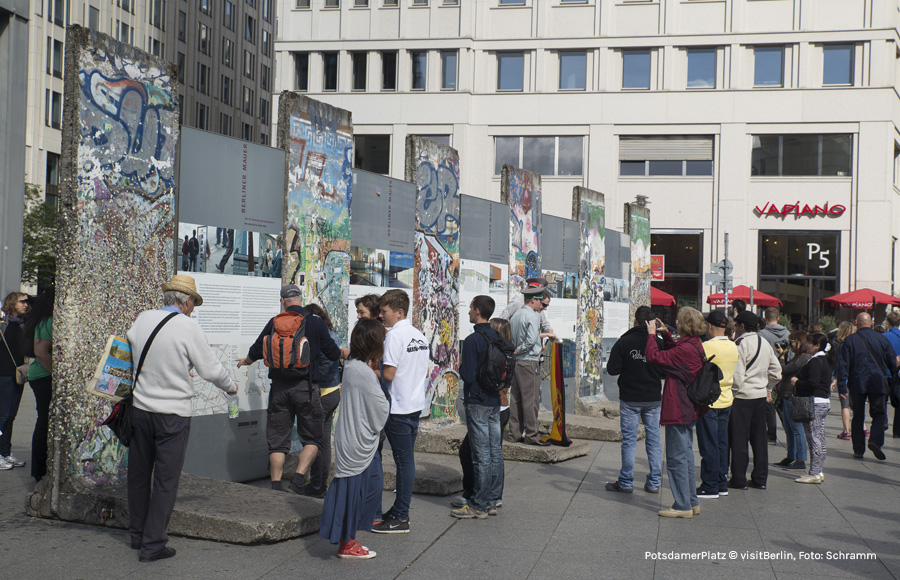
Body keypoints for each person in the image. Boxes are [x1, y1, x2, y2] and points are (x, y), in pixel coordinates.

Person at [127, 275, 237, 562]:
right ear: (186, 301)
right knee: (165, 480)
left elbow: (132, 350)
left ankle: (137, 535)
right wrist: (230, 386)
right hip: (172, 416)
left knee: (138, 475)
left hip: (139, 410)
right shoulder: (188, 326)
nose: (193, 309)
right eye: (193, 304)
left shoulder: (142, 319)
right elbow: (210, 370)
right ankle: (153, 545)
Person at [237, 284, 347, 492]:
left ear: (282, 302)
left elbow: (257, 349)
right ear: (301, 299)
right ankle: (298, 479)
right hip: (306, 389)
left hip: (279, 389)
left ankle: (276, 484)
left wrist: (248, 361)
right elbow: (332, 354)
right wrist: (342, 353)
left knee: (278, 441)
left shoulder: (274, 322)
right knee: (313, 438)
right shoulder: (314, 322)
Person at [319, 318, 390, 560]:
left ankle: (346, 540)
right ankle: (347, 543)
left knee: (347, 489)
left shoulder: (352, 365)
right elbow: (380, 408)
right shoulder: (364, 372)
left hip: (349, 435)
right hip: (358, 439)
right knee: (352, 491)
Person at [371, 290, 429, 534]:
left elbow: (389, 375)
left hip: (398, 408)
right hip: (414, 406)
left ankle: (402, 516)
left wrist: (365, 369)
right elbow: (425, 372)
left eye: (384, 312)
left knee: (404, 462)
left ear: (399, 312)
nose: (381, 316)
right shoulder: (419, 336)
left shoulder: (394, 337)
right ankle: (398, 511)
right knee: (406, 461)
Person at [645, 307, 706, 519]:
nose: (676, 324)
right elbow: (676, 354)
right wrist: (666, 334)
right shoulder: (694, 344)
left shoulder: (686, 348)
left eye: (678, 321)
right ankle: (691, 501)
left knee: (676, 458)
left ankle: (682, 506)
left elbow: (654, 356)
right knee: (687, 456)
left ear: (685, 324)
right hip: (688, 408)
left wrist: (652, 336)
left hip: (679, 407)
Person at [451, 296, 504, 519]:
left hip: (477, 401)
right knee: (495, 452)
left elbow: (469, 375)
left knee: (480, 454)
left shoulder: (473, 340)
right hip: (494, 400)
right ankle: (493, 498)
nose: (469, 312)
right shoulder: (497, 337)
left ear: (477, 311)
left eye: (471, 308)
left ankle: (478, 505)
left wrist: (461, 365)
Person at [604, 305, 664, 494]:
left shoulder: (625, 341)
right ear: (653, 322)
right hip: (652, 397)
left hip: (630, 397)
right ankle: (654, 482)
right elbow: (664, 370)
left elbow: (612, 369)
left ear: (635, 320)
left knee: (629, 440)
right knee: (654, 439)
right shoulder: (658, 342)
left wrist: (629, 366)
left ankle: (626, 482)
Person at [728, 311, 781, 491]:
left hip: (742, 397)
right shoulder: (764, 343)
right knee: (759, 440)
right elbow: (776, 372)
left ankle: (739, 478)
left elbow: (737, 376)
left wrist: (733, 394)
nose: (735, 329)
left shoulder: (741, 344)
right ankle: (760, 478)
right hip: (759, 397)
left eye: (736, 325)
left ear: (742, 326)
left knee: (739, 439)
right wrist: (768, 388)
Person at [835, 312, 897, 460]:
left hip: (857, 382)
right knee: (879, 414)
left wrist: (842, 386)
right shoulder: (881, 339)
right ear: (871, 322)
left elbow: (842, 365)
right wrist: (892, 377)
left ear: (856, 323)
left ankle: (858, 449)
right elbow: (892, 362)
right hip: (878, 382)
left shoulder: (850, 340)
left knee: (858, 416)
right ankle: (875, 441)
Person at [696, 311, 738, 499]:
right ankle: (721, 483)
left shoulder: (705, 347)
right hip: (727, 398)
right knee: (722, 443)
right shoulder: (734, 346)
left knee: (709, 444)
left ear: (710, 326)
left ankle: (710, 485)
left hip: (708, 401)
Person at [303, 303, 344, 499]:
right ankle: (321, 483)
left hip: (320, 393)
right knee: (325, 441)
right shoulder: (332, 334)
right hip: (334, 391)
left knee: (315, 441)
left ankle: (316, 485)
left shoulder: (315, 336)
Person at [505, 284, 549, 446]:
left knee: (515, 399)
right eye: (540, 301)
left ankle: (514, 433)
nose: (542, 305)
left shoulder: (516, 315)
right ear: (533, 300)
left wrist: (516, 350)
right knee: (531, 401)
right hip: (529, 361)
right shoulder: (532, 316)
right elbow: (531, 340)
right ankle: (532, 435)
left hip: (517, 362)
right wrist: (520, 349)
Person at [791, 333, 832, 484]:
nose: (806, 345)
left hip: (815, 402)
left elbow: (813, 383)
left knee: (814, 438)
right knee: (819, 437)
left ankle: (814, 472)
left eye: (810, 343)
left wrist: (797, 382)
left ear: (817, 346)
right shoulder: (824, 359)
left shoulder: (815, 361)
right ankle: (818, 470)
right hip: (822, 402)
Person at [23, 286, 54, 482]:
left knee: (44, 420)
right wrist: (57, 374)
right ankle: (39, 469)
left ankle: (40, 469)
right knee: (44, 421)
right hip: (43, 376)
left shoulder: (43, 319)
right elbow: (41, 352)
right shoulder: (48, 321)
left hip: (40, 375)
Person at [773, 331, 810, 472]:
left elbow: (785, 369)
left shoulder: (803, 358)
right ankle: (791, 456)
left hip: (793, 396)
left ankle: (801, 459)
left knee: (796, 429)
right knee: (789, 429)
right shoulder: (798, 357)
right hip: (787, 396)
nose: (791, 344)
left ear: (800, 342)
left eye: (792, 341)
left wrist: (781, 356)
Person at [0, 292, 29, 470]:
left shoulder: (23, 325)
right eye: (22, 302)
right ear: (12, 303)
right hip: (3, 374)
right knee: (2, 416)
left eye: (26, 302)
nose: (26, 304)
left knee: (10, 416)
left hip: (18, 374)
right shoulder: (4, 325)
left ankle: (6, 452)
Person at [759, 307, 789, 445]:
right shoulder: (788, 334)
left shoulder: (762, 334)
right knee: (782, 406)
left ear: (765, 318)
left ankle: (771, 434)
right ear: (778, 318)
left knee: (769, 405)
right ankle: (790, 432)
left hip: (767, 373)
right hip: (784, 372)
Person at [832, 322, 855, 440]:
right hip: (856, 377)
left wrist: (836, 379)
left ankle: (846, 431)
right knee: (855, 405)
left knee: (845, 405)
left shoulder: (840, 345)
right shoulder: (856, 344)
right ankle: (864, 427)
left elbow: (840, 365)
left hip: (845, 378)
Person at [884, 310, 900, 438]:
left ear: (888, 322)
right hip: (898, 374)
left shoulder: (884, 337)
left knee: (882, 400)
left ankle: (883, 421)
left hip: (884, 373)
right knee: (898, 402)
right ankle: (897, 430)